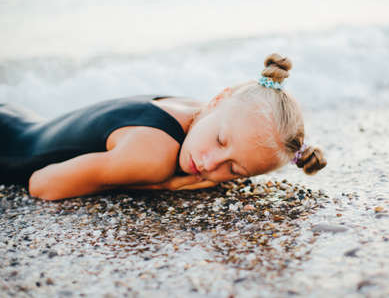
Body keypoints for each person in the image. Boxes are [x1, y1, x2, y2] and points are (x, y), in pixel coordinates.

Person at [0, 53, 327, 200]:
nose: (209, 164)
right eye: (220, 141)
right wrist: (163, 186)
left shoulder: (196, 111)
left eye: (234, 170)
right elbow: (40, 184)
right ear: (217, 100)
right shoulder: (153, 157)